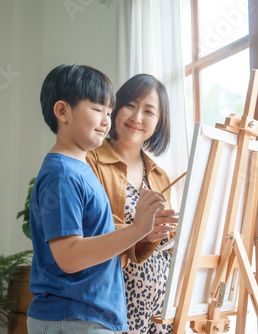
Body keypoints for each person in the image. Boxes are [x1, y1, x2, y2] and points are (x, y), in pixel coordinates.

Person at [27, 64, 167, 334]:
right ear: (62, 111)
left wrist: (142, 234)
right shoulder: (62, 175)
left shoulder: (80, 170)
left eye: (108, 111)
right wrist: (137, 229)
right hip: (71, 318)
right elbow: (68, 256)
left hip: (89, 317)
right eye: (96, 109)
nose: (106, 120)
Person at [86, 74, 177, 334]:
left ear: (159, 123)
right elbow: (93, 226)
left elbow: (165, 240)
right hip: (113, 305)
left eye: (149, 111)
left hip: (160, 313)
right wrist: (138, 231)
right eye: (131, 105)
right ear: (116, 108)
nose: (137, 118)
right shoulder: (91, 160)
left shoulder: (160, 175)